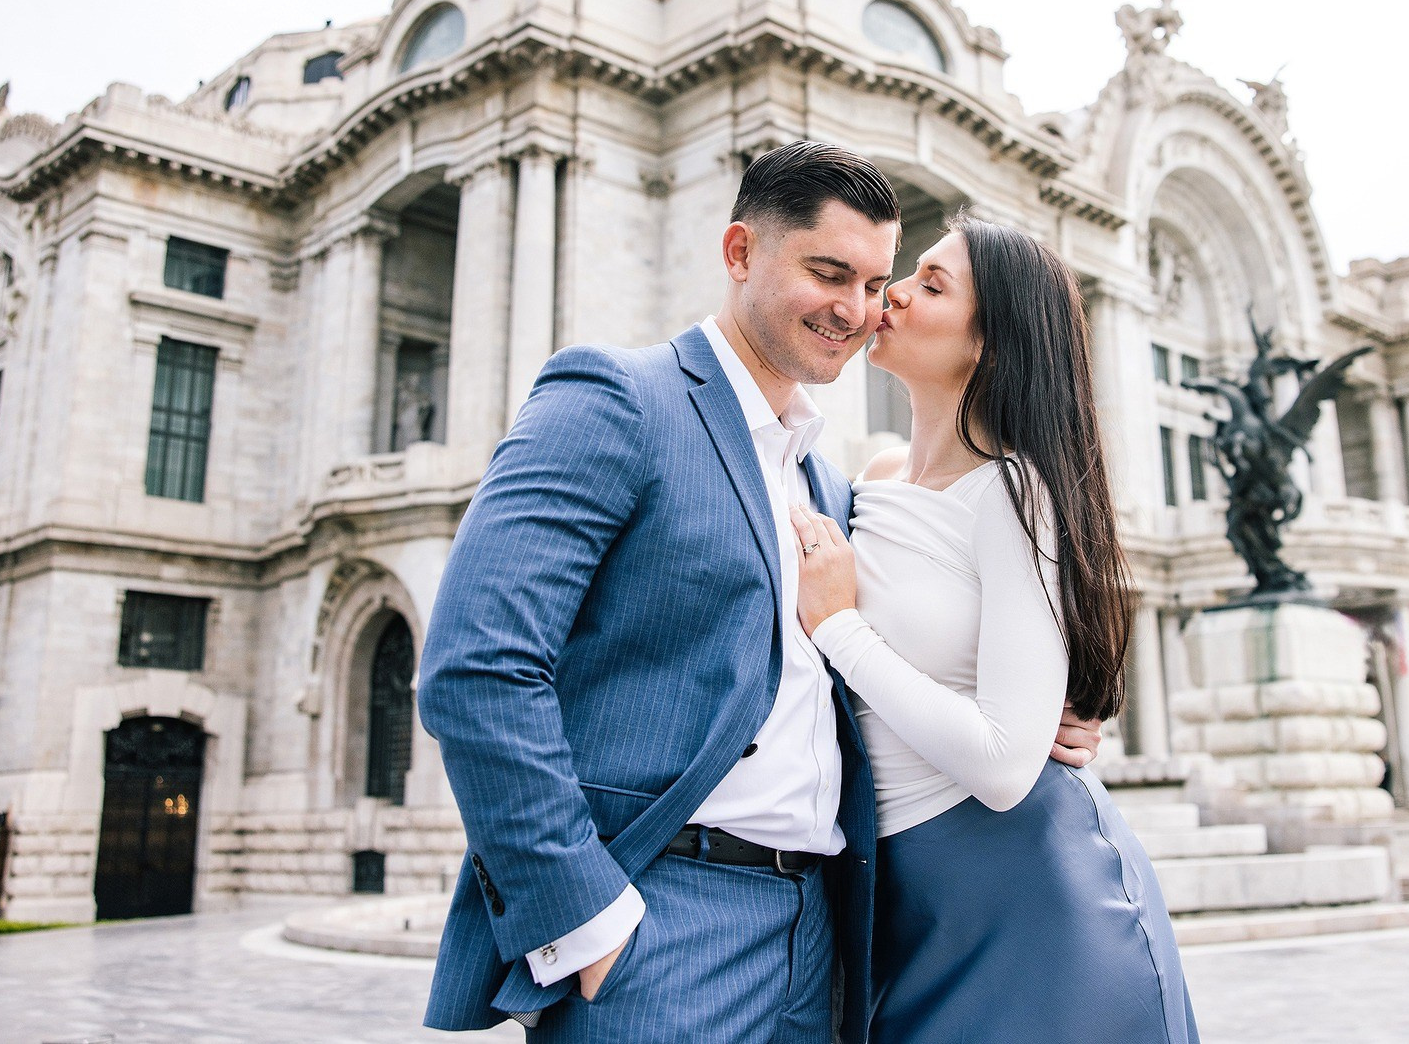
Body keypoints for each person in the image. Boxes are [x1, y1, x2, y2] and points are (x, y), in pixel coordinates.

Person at [416, 142, 1102, 1042]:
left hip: (828, 937)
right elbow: (477, 667)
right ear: (740, 253)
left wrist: (1039, 705)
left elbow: (923, 623)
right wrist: (583, 917)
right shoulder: (617, 398)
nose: (856, 310)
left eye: (875, 283)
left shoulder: (827, 485)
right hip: (665, 926)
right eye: (828, 273)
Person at [790, 214, 1203, 1043]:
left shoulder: (1017, 494)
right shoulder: (868, 480)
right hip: (898, 889)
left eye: (932, 285)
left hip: (1028, 891)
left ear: (988, 344)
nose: (893, 293)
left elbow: (1007, 766)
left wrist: (841, 630)